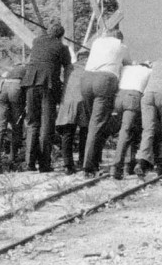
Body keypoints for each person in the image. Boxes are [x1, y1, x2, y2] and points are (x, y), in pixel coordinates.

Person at [22, 21, 72, 172]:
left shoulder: (37, 41)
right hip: (48, 85)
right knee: (47, 125)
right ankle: (44, 164)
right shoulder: (62, 47)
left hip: (30, 83)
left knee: (32, 123)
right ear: (61, 36)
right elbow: (68, 67)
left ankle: (29, 163)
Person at [81, 29, 131, 177]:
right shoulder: (122, 47)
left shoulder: (96, 43)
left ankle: (93, 162)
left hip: (86, 79)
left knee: (93, 123)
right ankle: (89, 167)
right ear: (120, 38)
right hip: (104, 80)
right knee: (97, 124)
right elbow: (128, 64)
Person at [110, 61, 151, 180]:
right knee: (127, 131)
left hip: (118, 98)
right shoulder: (149, 71)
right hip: (132, 98)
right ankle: (117, 166)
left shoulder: (127, 68)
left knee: (128, 130)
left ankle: (128, 164)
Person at [55, 49, 90, 174]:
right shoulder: (91, 68)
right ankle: (83, 161)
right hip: (83, 101)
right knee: (85, 132)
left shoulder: (69, 68)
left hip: (68, 101)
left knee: (68, 133)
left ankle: (67, 165)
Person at [0, 60, 26, 172]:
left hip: (2, 89)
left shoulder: (11, 71)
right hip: (16, 88)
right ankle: (13, 158)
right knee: (16, 126)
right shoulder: (27, 69)